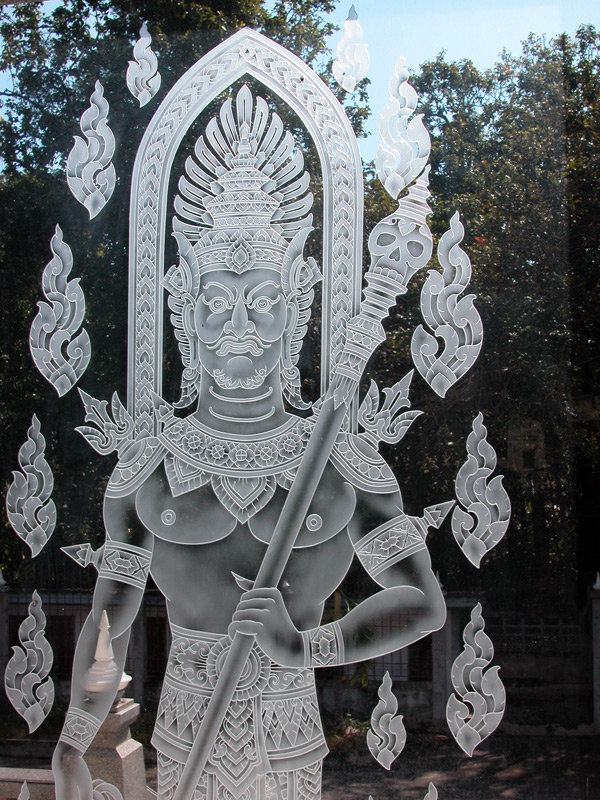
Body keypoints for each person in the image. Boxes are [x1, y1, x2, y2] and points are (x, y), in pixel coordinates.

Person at [53, 87, 446, 800]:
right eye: (217, 302)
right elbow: (111, 612)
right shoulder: (150, 460)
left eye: (263, 301)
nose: (239, 325)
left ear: (296, 304)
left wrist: (307, 647)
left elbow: (421, 601)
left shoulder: (342, 459)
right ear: (185, 310)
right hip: (183, 720)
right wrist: (75, 737)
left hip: (289, 725)